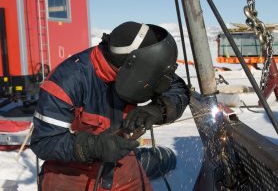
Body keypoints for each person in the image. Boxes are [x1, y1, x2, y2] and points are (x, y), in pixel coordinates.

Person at [30, 21, 190, 191]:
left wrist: (158, 109)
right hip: (71, 174)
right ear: (131, 65)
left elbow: (177, 88)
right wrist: (94, 147)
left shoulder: (141, 68)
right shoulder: (68, 80)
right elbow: (44, 141)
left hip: (123, 166)